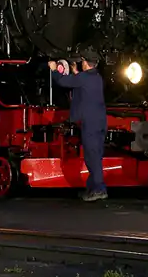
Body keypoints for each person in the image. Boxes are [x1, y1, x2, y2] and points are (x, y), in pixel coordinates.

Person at [48, 45, 108, 202]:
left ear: (84, 62)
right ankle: (92, 188)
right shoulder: (97, 77)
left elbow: (63, 82)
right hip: (100, 121)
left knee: (92, 157)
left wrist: (54, 69)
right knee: (96, 155)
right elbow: (82, 83)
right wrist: (76, 72)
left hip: (91, 123)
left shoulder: (84, 78)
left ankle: (99, 190)